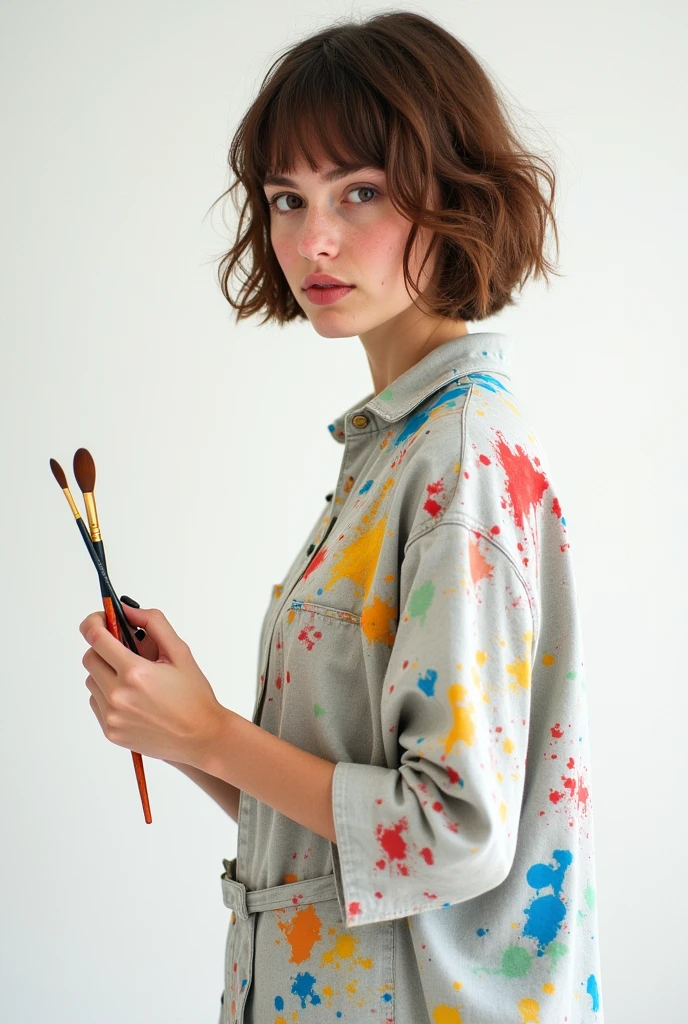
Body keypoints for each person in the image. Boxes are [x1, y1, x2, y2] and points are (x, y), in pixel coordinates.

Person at [81, 10, 603, 1023]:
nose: (311, 239)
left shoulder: (459, 461)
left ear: (452, 192)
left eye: (358, 191)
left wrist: (215, 732)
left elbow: (452, 835)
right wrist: (186, 730)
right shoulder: (395, 449)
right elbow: (351, 826)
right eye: (287, 198)